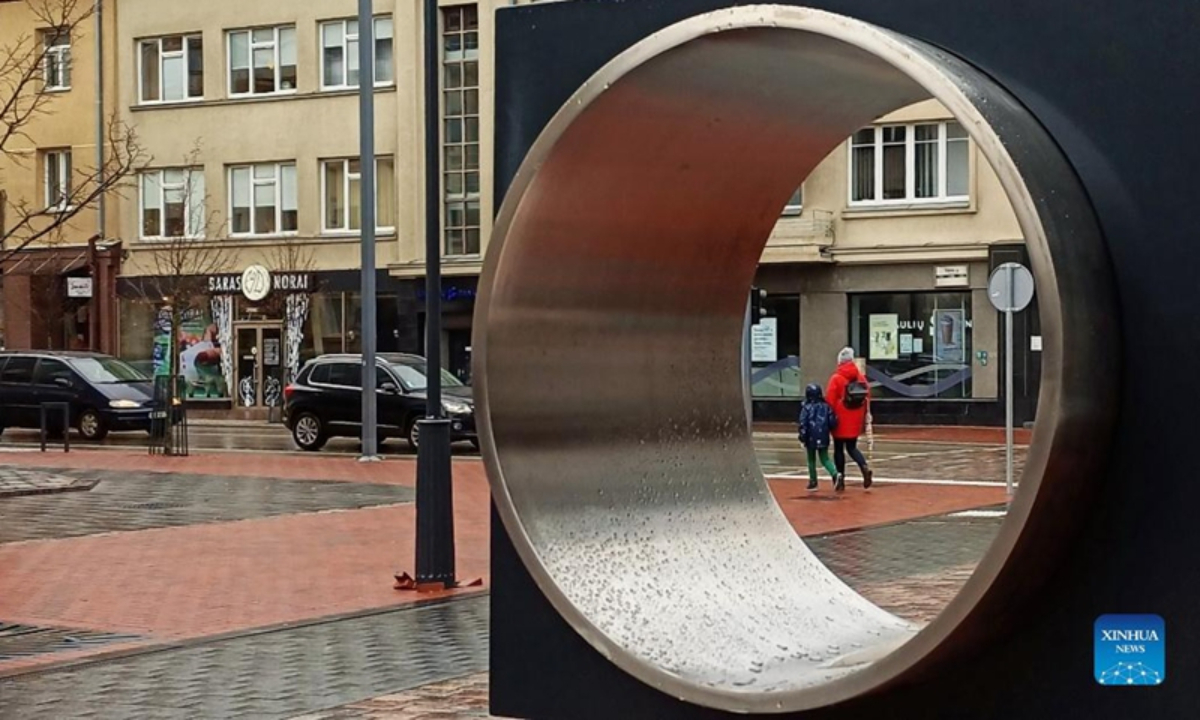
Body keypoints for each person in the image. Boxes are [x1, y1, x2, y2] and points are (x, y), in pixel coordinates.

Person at [826, 347, 874, 491]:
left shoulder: (836, 378)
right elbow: (867, 395)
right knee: (852, 447)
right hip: (855, 418)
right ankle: (863, 466)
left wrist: (830, 417)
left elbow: (830, 399)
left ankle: (840, 478)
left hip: (840, 418)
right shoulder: (860, 377)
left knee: (838, 449)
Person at [797, 383, 842, 491]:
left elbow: (803, 423)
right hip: (823, 435)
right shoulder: (826, 407)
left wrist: (802, 436)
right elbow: (833, 422)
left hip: (810, 436)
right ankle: (835, 473)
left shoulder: (806, 408)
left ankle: (813, 481)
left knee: (811, 459)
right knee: (825, 458)